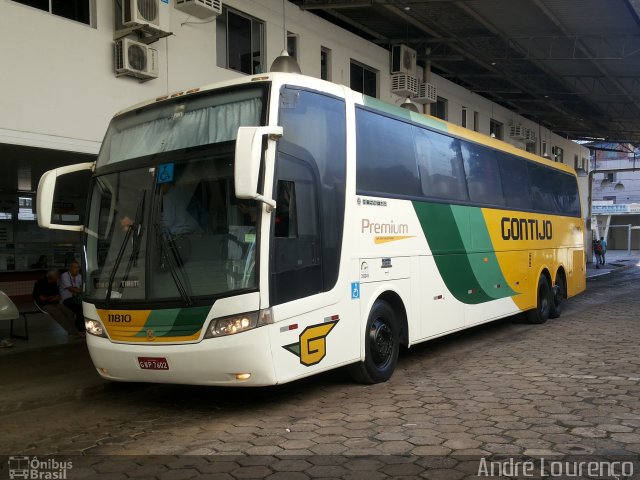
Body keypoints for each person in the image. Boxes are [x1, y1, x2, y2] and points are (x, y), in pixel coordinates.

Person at [33, 270, 82, 337]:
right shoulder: (39, 283)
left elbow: (58, 297)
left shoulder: (54, 283)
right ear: (51, 276)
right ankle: (74, 332)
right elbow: (42, 299)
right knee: (59, 314)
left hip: (55, 303)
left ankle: (75, 330)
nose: (58, 277)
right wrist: (52, 297)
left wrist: (52, 298)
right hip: (44, 304)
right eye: (57, 276)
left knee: (70, 313)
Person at [59, 260, 84, 332]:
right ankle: (79, 328)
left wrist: (79, 290)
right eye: (75, 267)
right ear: (70, 268)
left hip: (77, 298)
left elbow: (82, 287)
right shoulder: (64, 275)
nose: (77, 269)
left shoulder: (79, 276)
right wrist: (79, 290)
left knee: (85, 306)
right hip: (66, 299)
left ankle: (79, 326)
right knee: (79, 308)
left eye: (78, 267)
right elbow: (72, 289)